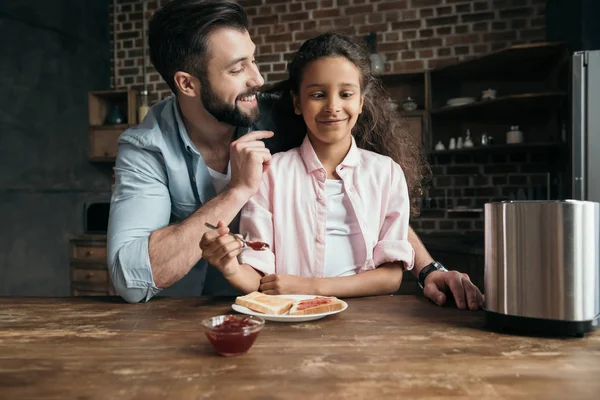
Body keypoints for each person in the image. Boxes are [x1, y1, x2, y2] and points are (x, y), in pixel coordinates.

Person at [107, 0, 483, 310]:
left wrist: (428, 269)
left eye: (252, 60)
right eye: (238, 69)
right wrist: (236, 191)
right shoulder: (146, 149)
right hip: (185, 317)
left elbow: (369, 204)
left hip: (281, 310)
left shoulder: (277, 113)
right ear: (187, 83)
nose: (256, 78)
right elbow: (130, 280)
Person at [200, 32, 418, 298]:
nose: (333, 107)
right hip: (291, 322)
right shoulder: (272, 173)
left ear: (361, 102)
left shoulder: (387, 173)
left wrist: (309, 287)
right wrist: (230, 267)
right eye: (317, 95)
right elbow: (257, 275)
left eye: (346, 93)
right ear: (297, 103)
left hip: (366, 324)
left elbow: (391, 277)